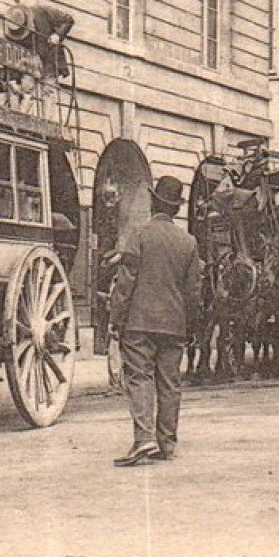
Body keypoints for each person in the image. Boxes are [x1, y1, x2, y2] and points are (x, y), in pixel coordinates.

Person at [107, 174, 202, 466]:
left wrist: (115, 318)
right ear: (175, 209)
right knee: (170, 383)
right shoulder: (188, 242)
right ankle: (167, 444)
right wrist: (192, 326)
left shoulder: (139, 235)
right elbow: (193, 292)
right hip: (174, 325)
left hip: (139, 322)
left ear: (153, 202)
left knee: (139, 378)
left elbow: (126, 282)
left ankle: (144, 438)